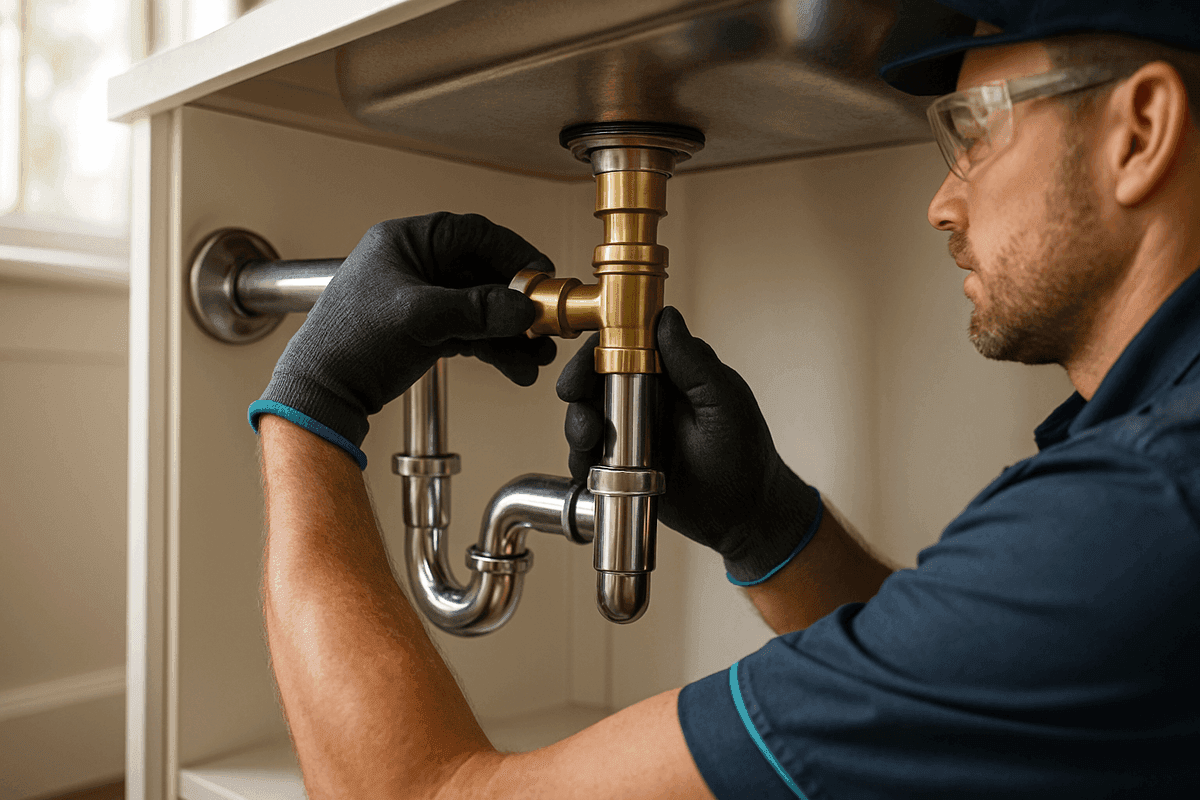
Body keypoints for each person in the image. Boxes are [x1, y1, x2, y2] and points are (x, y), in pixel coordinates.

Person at [248, 0, 1200, 796]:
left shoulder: (1135, 516)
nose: (942, 204)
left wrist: (310, 409)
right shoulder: (1151, 472)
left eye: (976, 131)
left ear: (1140, 131)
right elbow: (984, 702)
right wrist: (771, 529)